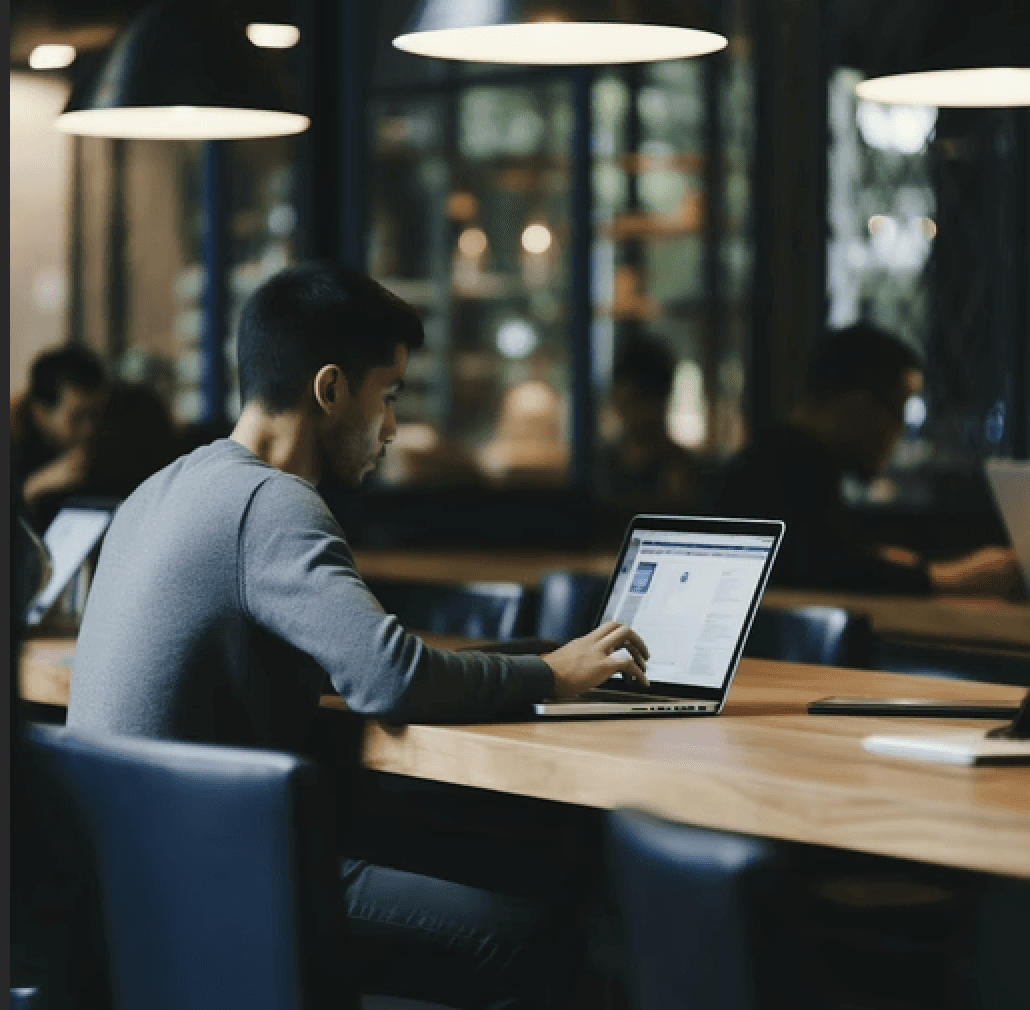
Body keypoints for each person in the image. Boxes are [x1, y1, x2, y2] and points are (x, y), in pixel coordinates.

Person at [67, 261, 649, 1010]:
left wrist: (541, 657)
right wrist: (551, 679)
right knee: (535, 935)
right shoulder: (273, 503)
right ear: (332, 389)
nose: (395, 427)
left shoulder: (164, 487)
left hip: (116, 884)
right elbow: (391, 680)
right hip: (213, 884)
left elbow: (369, 658)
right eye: (391, 394)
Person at [700, 322, 1021, 595]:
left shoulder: (779, 461)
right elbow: (826, 571)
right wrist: (953, 578)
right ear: (856, 404)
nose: (898, 432)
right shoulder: (787, 473)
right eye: (897, 412)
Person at [597, 333, 700, 514]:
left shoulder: (683, 474)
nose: (624, 412)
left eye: (634, 400)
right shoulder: (601, 468)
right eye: (620, 401)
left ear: (661, 400)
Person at [11, 346, 109, 531]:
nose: (89, 429)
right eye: (77, 418)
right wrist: (32, 488)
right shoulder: (13, 445)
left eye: (95, 415)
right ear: (41, 412)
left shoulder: (101, 443)